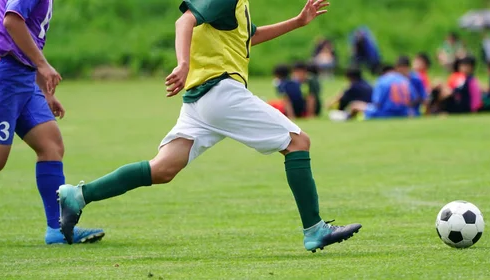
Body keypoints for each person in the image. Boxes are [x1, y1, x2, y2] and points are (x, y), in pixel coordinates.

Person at [57, 0, 362, 252]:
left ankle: (79, 196)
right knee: (298, 142)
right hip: (221, 92)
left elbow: (248, 36)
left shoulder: (237, 5)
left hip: (200, 101)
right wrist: (183, 63)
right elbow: (183, 22)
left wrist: (296, 22)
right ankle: (314, 229)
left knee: (162, 169)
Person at [0, 0, 104, 244]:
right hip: (2, 72)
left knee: (50, 145)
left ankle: (56, 229)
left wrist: (45, 91)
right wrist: (43, 65)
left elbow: (27, 36)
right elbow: (12, 21)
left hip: (22, 76)